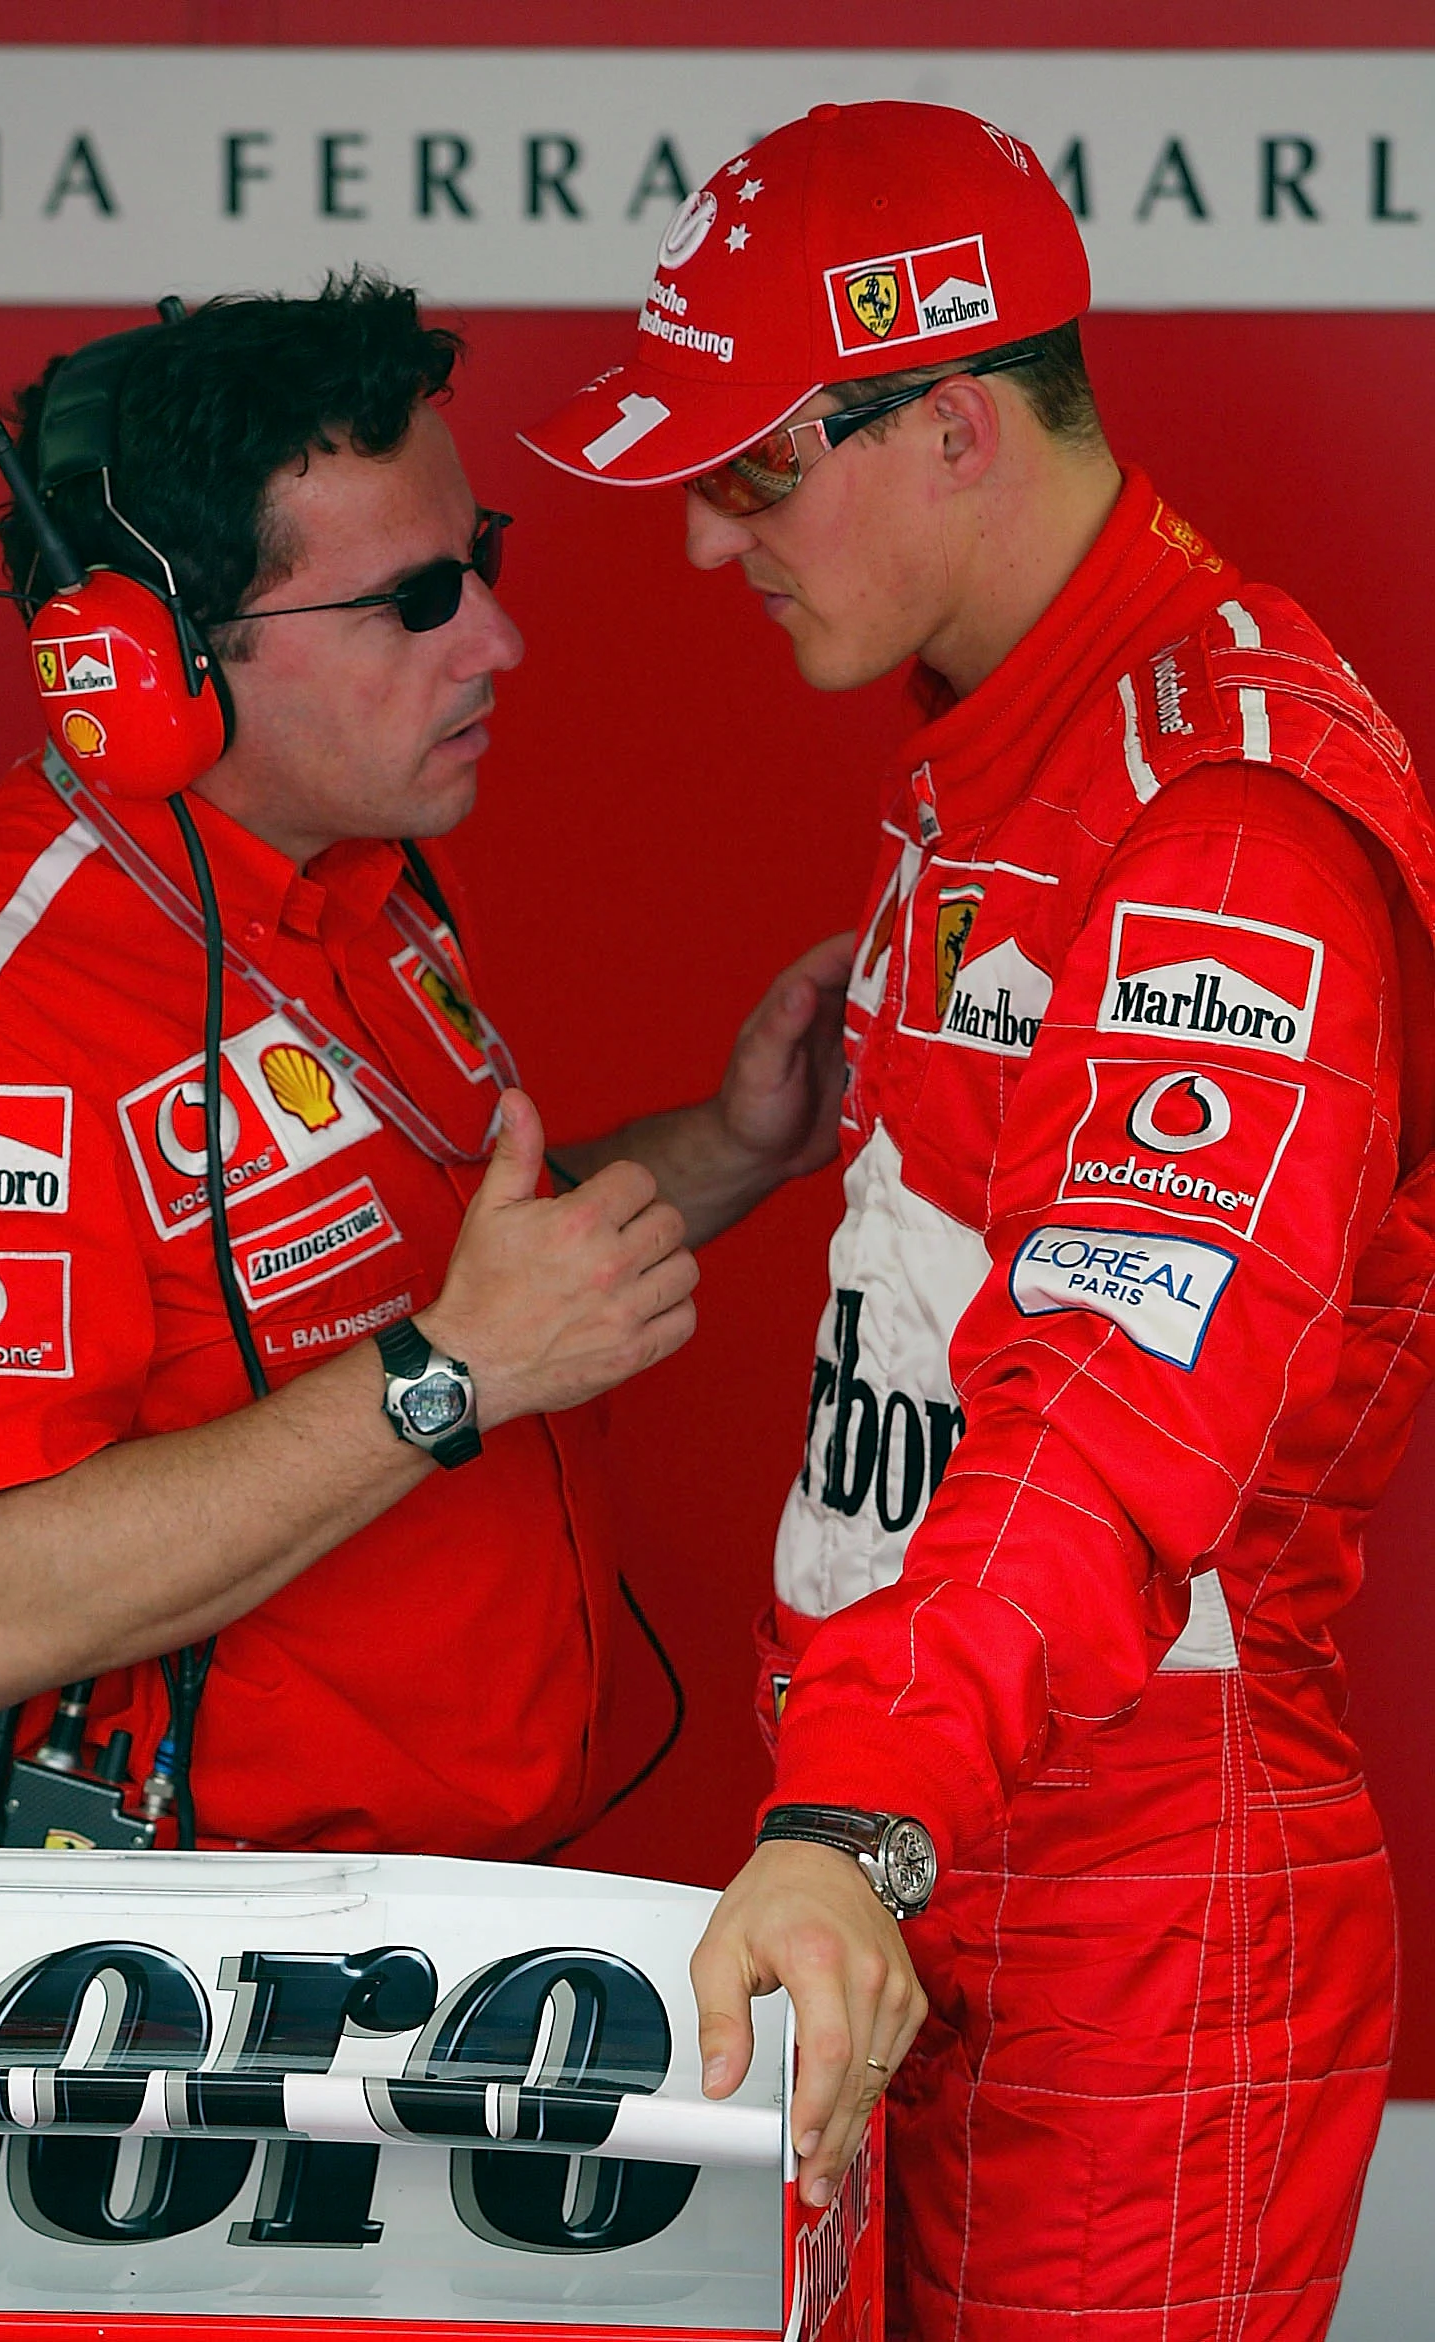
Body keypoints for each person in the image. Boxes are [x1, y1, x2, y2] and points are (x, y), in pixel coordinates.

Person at [522, 101, 1435, 2337]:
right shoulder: (1003, 734)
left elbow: (1110, 1413)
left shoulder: (1222, 823)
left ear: (944, 426)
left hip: (1120, 1903)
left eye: (746, 477)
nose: (708, 549)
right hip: (942, 1846)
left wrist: (848, 1818)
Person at [0, 273, 850, 1860]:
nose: (502, 638)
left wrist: (737, 1140)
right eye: (418, 598)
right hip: (195, 1994)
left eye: (482, 562)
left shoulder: (359, 888)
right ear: (149, 651)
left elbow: (485, 1282)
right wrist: (449, 1377)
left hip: (449, 1924)